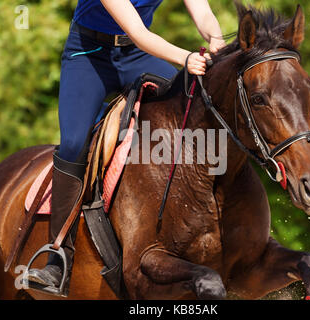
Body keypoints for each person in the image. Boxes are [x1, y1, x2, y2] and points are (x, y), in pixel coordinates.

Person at [27, 0, 225, 293]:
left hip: (136, 56)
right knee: (73, 144)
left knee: (189, 104)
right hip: (89, 53)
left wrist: (216, 39)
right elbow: (138, 32)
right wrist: (186, 57)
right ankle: (58, 257)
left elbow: (204, 13)